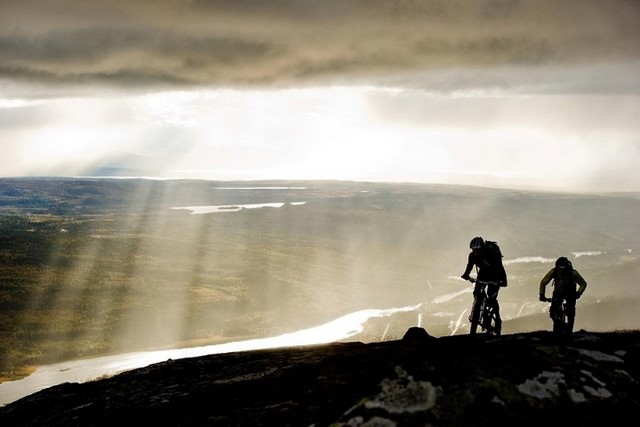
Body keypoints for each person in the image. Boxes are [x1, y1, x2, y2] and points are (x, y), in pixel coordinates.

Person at [461, 236, 508, 328]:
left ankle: (497, 319)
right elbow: (469, 266)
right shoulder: (472, 256)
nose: (475, 252)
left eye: (477, 250)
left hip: (495, 276)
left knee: (492, 299)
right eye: (473, 250)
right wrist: (466, 275)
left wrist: (503, 280)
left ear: (482, 248)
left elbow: (500, 267)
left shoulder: (491, 255)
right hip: (483, 274)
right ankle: (479, 311)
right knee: (477, 293)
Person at [539, 256, 587, 333]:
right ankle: (566, 326)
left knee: (570, 312)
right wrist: (578, 293)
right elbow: (583, 284)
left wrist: (542, 295)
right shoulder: (568, 273)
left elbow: (543, 282)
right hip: (561, 293)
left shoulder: (570, 273)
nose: (561, 270)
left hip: (569, 294)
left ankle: (567, 327)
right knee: (554, 312)